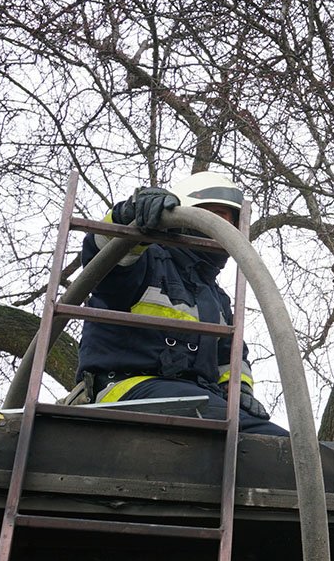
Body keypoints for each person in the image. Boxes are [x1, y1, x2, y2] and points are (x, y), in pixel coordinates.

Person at [74, 172, 287, 436]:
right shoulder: (146, 260)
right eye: (216, 216)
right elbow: (104, 258)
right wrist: (128, 217)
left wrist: (239, 390)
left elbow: (229, 356)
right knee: (243, 431)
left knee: (280, 441)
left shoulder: (216, 299)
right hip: (125, 389)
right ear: (187, 216)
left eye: (230, 223)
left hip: (195, 396)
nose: (223, 229)